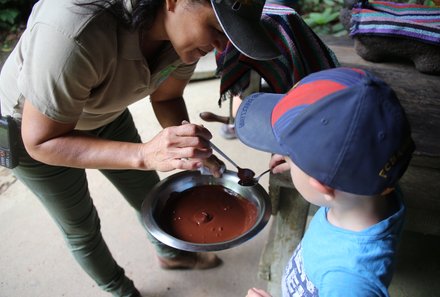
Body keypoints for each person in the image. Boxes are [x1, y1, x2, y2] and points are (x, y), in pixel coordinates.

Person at [0, 0, 280, 296]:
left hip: (101, 110)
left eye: (230, 35)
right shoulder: (75, 29)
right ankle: (120, 290)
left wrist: (187, 143)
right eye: (215, 27)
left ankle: (172, 255)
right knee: (81, 225)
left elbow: (166, 97)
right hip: (30, 129)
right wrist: (142, 154)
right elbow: (40, 142)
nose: (220, 45)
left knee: (147, 192)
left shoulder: (182, 35)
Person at [234, 67, 415, 297]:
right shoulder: (375, 184)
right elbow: (345, 161)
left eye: (289, 155)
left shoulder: (351, 281)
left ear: (321, 184)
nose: (285, 157)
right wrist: (301, 163)